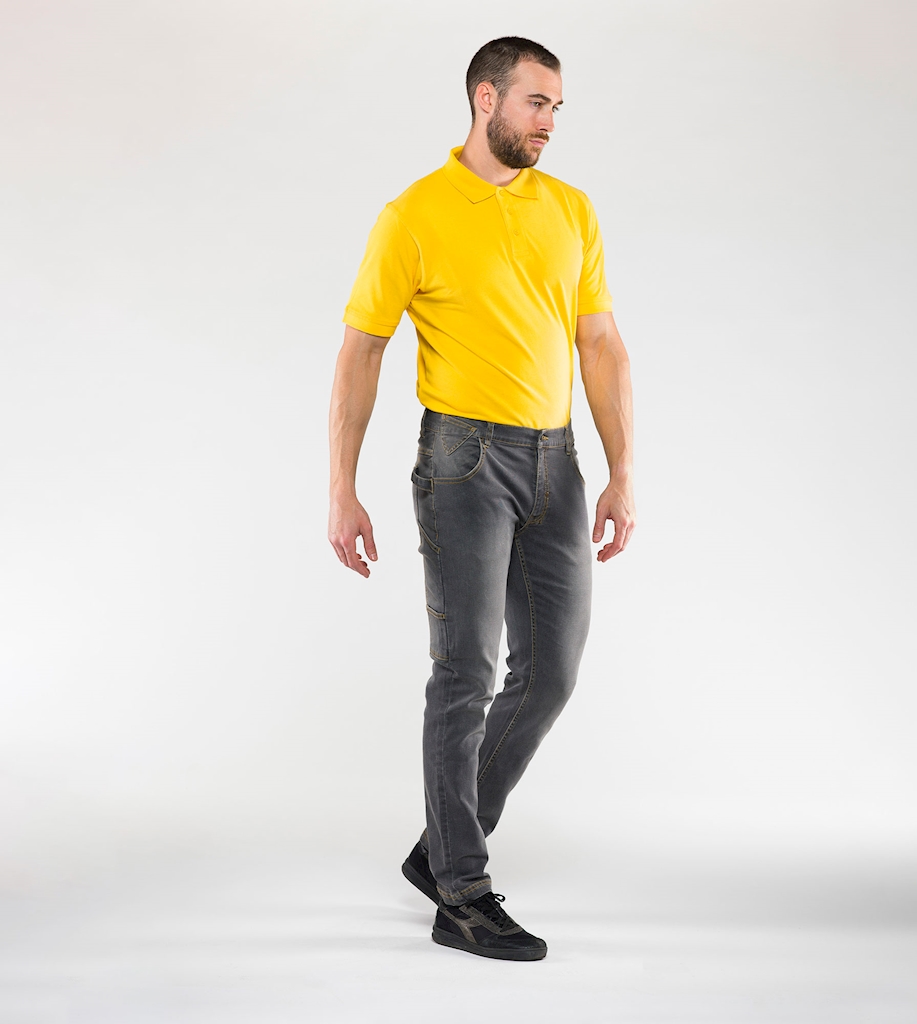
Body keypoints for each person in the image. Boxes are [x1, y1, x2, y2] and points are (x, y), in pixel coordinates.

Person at [328, 36, 635, 961]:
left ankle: (440, 849)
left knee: (551, 673)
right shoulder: (414, 214)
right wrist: (341, 488)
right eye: (537, 103)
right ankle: (461, 891)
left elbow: (600, 345)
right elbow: (362, 351)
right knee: (465, 672)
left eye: (557, 108)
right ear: (485, 99)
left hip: (557, 461)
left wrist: (622, 470)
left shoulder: (570, 209)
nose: (550, 122)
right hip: (462, 462)